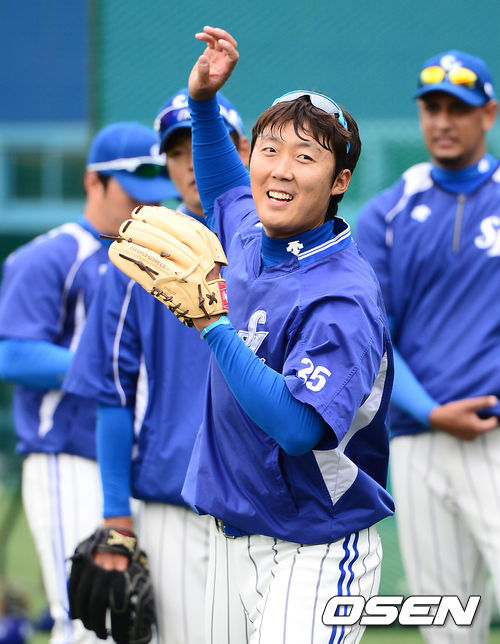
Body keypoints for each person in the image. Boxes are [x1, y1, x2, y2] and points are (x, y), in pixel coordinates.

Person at [127, 26, 393, 644]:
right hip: (233, 539)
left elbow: (298, 429)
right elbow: (223, 186)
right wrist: (202, 103)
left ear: (339, 181)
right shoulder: (250, 232)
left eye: (305, 157)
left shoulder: (343, 295)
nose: (280, 170)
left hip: (318, 549)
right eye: (269, 150)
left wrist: (212, 326)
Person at [62, 89, 250, 643]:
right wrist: (116, 520)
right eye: (177, 150)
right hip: (175, 504)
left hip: (267, 506)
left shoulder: (275, 248)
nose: (192, 162)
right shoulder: (135, 259)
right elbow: (112, 394)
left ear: (240, 149)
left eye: (207, 142)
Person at [0, 122, 172, 644]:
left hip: (138, 460)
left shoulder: (158, 261)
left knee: (142, 621)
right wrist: (105, 365)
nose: (145, 204)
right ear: (92, 182)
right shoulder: (52, 255)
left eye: (153, 191)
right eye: (131, 191)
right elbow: (11, 353)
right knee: (89, 619)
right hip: (68, 455)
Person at [355, 50, 500, 643]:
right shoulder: (387, 213)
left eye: (457, 108)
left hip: (495, 434)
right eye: (431, 107)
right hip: (419, 438)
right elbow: (374, 336)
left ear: (488, 113)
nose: (442, 121)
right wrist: (430, 410)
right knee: (448, 624)